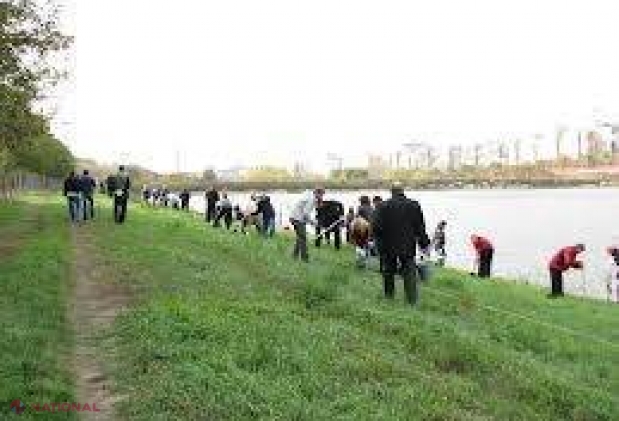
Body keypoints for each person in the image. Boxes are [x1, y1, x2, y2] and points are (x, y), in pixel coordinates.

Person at [372, 182, 430, 305]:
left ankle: (389, 297)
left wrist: (379, 242)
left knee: (388, 271)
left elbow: (376, 227)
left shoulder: (382, 206)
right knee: (409, 271)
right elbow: (420, 227)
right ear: (402, 191)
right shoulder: (414, 205)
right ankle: (411, 301)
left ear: (391, 192)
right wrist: (424, 243)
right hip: (407, 245)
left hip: (388, 245)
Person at [289, 188, 325, 262]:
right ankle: (305, 258)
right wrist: (312, 222)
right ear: (317, 193)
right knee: (303, 238)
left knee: (300, 238)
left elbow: (304, 212)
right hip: (297, 219)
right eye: (321, 195)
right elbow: (305, 213)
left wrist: (310, 221)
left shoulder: (309, 195)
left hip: (294, 217)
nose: (322, 197)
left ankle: (294, 255)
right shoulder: (311, 199)